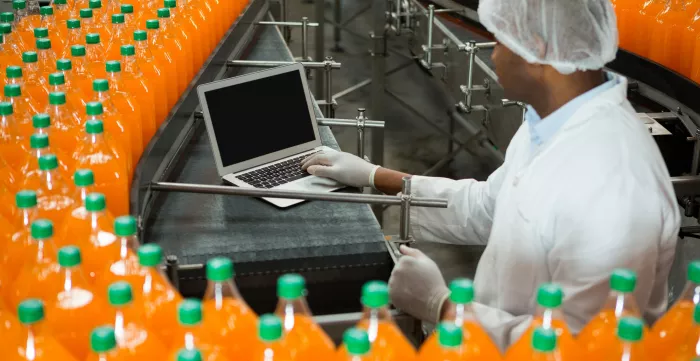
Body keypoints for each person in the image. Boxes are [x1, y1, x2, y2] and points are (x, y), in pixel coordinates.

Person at [301, 0, 680, 350]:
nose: (493, 53)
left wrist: (445, 306)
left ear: (538, 46)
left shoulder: (615, 187)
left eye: (499, 39)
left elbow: (578, 347)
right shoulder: (551, 122)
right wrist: (375, 176)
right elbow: (489, 207)